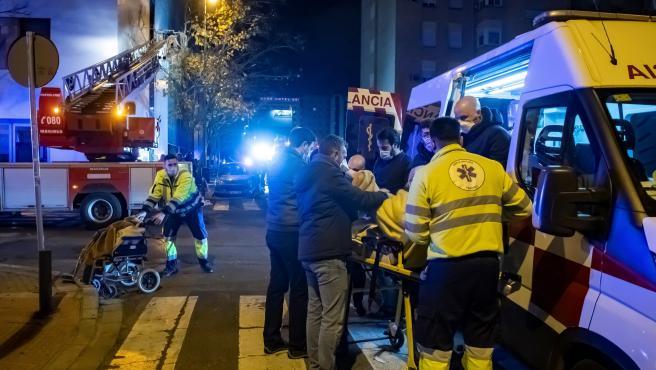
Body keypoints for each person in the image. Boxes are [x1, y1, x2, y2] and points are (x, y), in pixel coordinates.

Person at [405, 117, 532, 370]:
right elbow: (525, 208)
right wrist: (493, 218)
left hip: (446, 269)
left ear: (435, 142)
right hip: (486, 268)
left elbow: (416, 233)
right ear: (461, 138)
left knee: (436, 344)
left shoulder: (426, 174)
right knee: (481, 340)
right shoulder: (493, 168)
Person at [295, 135, 388, 370]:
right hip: (329, 254)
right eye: (343, 156)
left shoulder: (307, 171)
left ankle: (315, 364)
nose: (344, 161)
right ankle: (326, 366)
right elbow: (359, 198)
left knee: (315, 312)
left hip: (309, 251)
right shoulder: (329, 173)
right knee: (332, 318)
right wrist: (384, 195)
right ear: (335, 153)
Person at [263, 127, 316, 359]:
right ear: (304, 145)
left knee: (276, 285)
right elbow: (311, 194)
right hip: (292, 232)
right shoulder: (298, 165)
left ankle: (271, 340)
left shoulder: (275, 161)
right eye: (311, 147)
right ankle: (297, 345)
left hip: (274, 229)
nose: (310, 152)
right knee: (299, 289)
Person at [138, 154, 213, 276]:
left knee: (200, 237)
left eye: (175, 164)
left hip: (191, 210)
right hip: (173, 211)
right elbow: (155, 194)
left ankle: (204, 262)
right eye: (170, 165)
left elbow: (179, 196)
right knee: (168, 238)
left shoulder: (186, 176)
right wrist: (145, 210)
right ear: (164, 165)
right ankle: (171, 266)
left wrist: (163, 213)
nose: (173, 167)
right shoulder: (160, 175)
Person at [454, 96, 511, 167]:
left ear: (478, 113)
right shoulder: (467, 136)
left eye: (463, 117)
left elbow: (497, 170)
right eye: (457, 119)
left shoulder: (498, 135)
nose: (460, 123)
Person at [373, 127, 412, 194]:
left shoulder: (406, 161)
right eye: (379, 147)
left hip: (393, 201)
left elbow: (406, 190)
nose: (381, 151)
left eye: (384, 148)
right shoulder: (379, 160)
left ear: (395, 145)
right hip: (376, 197)